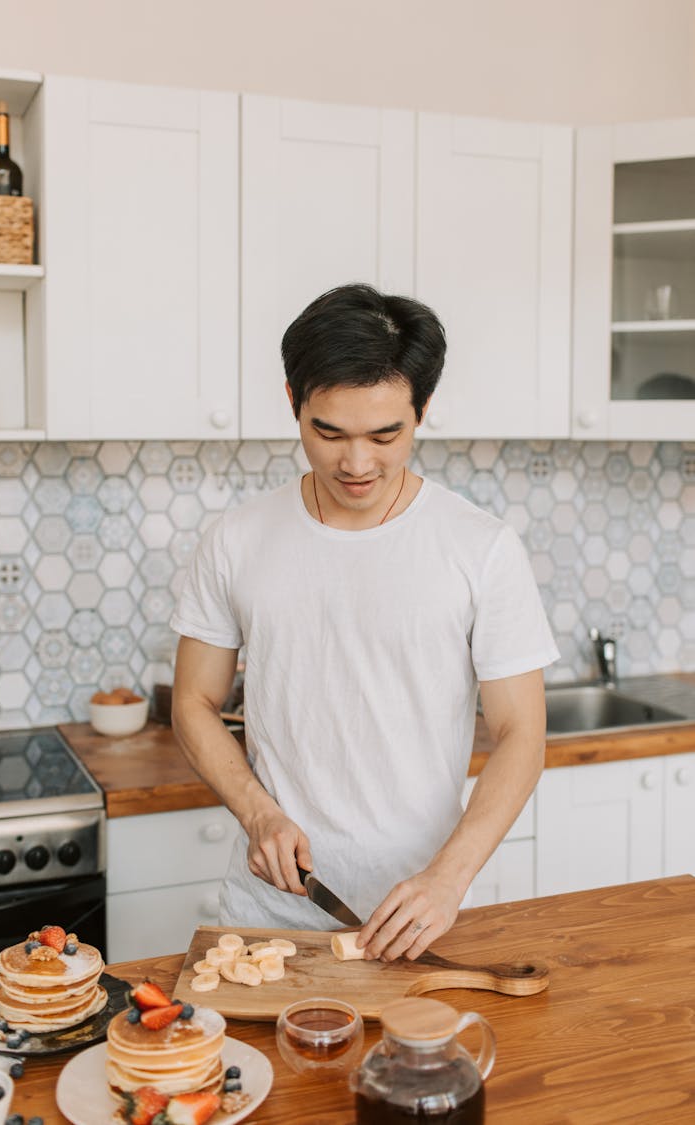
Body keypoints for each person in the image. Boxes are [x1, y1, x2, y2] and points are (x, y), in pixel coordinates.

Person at [170, 283, 558, 962]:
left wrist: (450, 876)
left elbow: (522, 732)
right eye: (329, 433)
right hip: (271, 919)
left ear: (422, 411)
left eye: (386, 435)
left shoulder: (481, 547)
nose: (356, 463)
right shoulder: (237, 538)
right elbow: (193, 701)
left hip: (421, 919)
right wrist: (258, 811)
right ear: (293, 401)